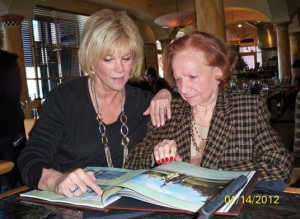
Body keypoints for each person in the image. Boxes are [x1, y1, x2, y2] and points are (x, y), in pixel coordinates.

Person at [17, 9, 172, 198]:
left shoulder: (142, 102)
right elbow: (30, 158)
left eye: (126, 58)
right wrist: (56, 181)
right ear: (91, 60)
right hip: (71, 202)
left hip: (127, 202)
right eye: (108, 59)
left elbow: (189, 103)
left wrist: (166, 93)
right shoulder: (64, 99)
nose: (120, 68)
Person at [125, 31, 294, 194]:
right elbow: (130, 164)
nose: (183, 89)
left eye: (192, 77)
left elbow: (280, 166)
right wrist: (156, 156)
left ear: (218, 72)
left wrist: (209, 173)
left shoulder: (247, 108)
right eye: (178, 79)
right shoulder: (170, 111)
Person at [0, 46, 25, 192]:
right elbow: (15, 94)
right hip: (12, 123)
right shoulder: (10, 61)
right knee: (13, 172)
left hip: (5, 125)